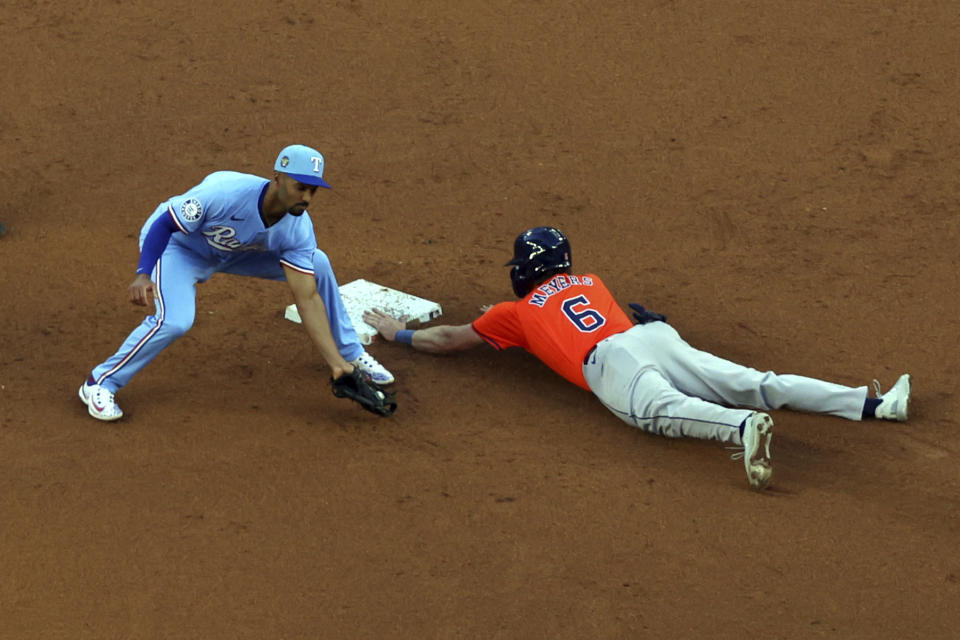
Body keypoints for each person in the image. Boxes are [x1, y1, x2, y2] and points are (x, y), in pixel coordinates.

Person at [363, 226, 912, 490]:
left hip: (614, 365)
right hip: (655, 336)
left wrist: (401, 336)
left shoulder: (515, 309)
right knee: (754, 379)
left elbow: (451, 338)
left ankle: (742, 429)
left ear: (526, 269)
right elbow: (552, 319)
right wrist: (514, 320)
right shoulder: (589, 280)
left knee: (662, 413)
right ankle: (875, 404)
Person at [79, 144, 394, 422]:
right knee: (175, 321)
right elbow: (165, 225)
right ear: (278, 178)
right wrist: (143, 273)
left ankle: (349, 355)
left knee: (317, 263)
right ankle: (100, 383)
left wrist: (335, 366)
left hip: (231, 252)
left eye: (313, 191)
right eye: (301, 187)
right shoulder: (225, 192)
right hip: (178, 247)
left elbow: (308, 298)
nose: (307, 198)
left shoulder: (298, 228)